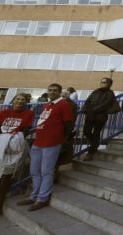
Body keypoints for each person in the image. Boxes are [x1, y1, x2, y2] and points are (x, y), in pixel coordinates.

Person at [16, 83, 73, 211]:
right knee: (34, 171)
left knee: (46, 171)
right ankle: (34, 195)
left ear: (59, 92)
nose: (52, 92)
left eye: (55, 90)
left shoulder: (64, 104)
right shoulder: (47, 105)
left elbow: (69, 124)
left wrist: (62, 139)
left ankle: (43, 198)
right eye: (50, 90)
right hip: (38, 142)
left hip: (52, 143)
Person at [0, 94, 34, 217]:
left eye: (23, 100)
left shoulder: (28, 114)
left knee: (4, 178)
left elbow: (24, 131)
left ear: (26, 102)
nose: (20, 101)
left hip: (11, 152)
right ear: (13, 100)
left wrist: (9, 146)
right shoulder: (3, 112)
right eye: (17, 99)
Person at [81, 78, 116, 161]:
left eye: (105, 82)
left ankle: (91, 152)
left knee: (96, 133)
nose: (102, 84)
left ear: (109, 84)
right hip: (90, 115)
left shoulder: (110, 93)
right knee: (86, 131)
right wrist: (85, 109)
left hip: (100, 116)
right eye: (101, 82)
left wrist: (94, 110)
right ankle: (95, 144)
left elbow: (106, 103)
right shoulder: (95, 91)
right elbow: (88, 100)